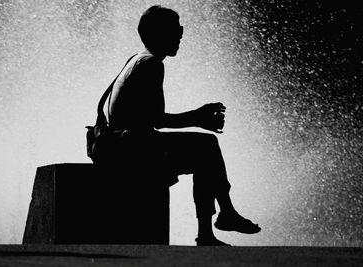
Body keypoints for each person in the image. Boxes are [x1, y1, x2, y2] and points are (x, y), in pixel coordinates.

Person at [107, 5, 260, 246]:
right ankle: (219, 221)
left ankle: (218, 222)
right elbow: (155, 120)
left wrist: (197, 119)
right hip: (129, 150)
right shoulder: (151, 64)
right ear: (159, 33)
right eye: (176, 29)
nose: (181, 35)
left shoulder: (138, 59)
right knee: (206, 145)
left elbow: (147, 119)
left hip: (123, 145)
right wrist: (198, 118)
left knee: (204, 147)